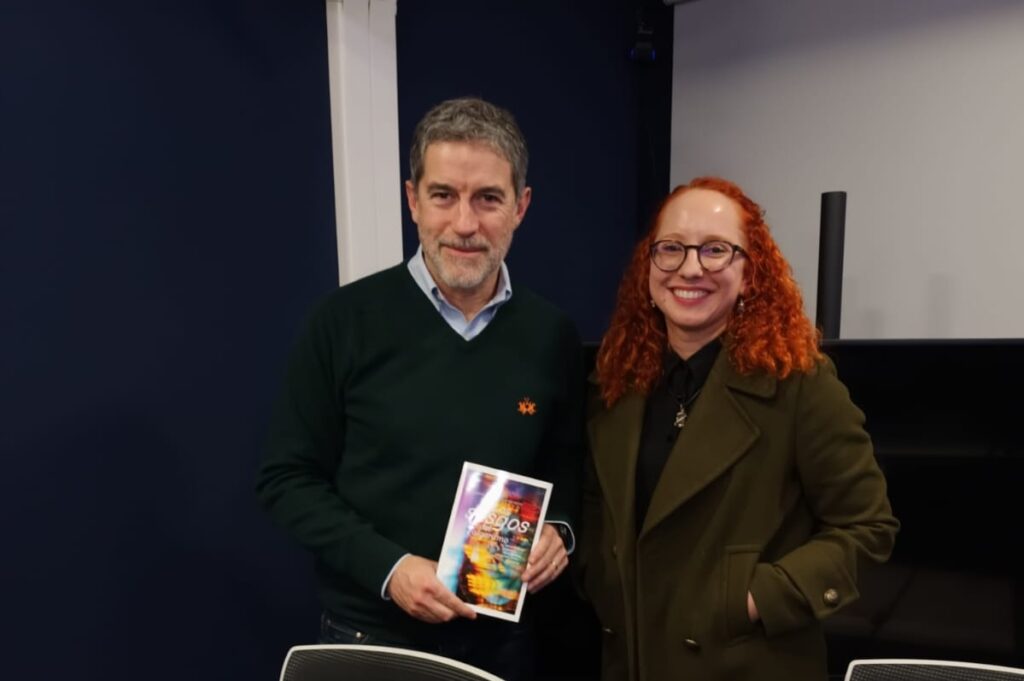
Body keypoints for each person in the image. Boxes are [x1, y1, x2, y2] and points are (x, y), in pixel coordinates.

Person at [256, 97, 584, 681]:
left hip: (502, 647)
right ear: (413, 200)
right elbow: (286, 479)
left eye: (488, 198)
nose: (465, 224)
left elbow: (566, 467)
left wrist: (558, 530)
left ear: (521, 207)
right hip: (370, 638)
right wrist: (392, 568)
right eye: (443, 196)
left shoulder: (551, 334)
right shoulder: (344, 320)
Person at [578, 176, 899, 681]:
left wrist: (753, 599)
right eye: (672, 249)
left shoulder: (799, 385)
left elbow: (868, 528)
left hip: (747, 661)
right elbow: (600, 512)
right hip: (632, 661)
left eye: (715, 251)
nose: (690, 268)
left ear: (750, 274)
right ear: (649, 267)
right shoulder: (613, 381)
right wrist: (601, 580)